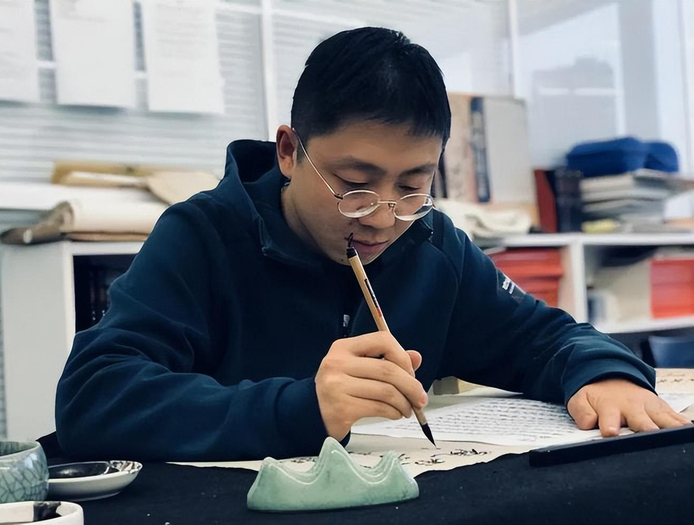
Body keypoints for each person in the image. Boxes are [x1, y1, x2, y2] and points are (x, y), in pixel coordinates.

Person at [55, 27, 690, 461]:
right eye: (354, 185)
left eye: (413, 186)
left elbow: (544, 338)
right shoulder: (202, 236)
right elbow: (94, 398)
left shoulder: (433, 245)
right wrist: (302, 408)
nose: (384, 218)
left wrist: (607, 375)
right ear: (288, 151)